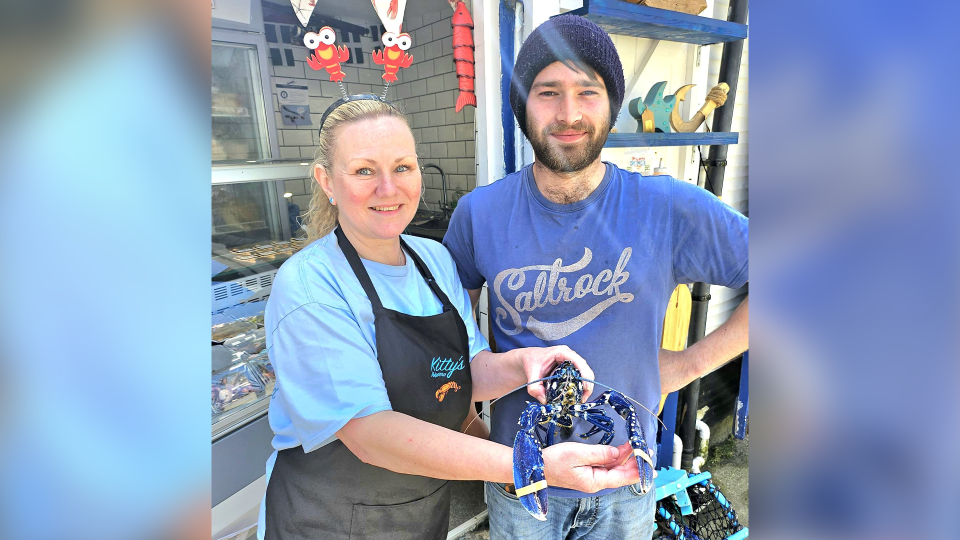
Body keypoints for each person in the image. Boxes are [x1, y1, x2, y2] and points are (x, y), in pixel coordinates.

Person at [256, 95, 643, 540]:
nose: (388, 187)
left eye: (403, 167)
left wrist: (527, 364)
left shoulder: (433, 260)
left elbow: (466, 371)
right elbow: (370, 434)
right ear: (327, 180)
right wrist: (529, 467)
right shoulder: (310, 284)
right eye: (364, 170)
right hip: (324, 518)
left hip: (419, 513)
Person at [442, 15, 749, 540]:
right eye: (548, 92)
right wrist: (468, 419)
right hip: (521, 480)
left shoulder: (668, 206)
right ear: (522, 105)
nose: (568, 113)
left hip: (627, 479)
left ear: (611, 104)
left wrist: (687, 365)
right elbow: (449, 334)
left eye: (589, 91)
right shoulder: (479, 214)